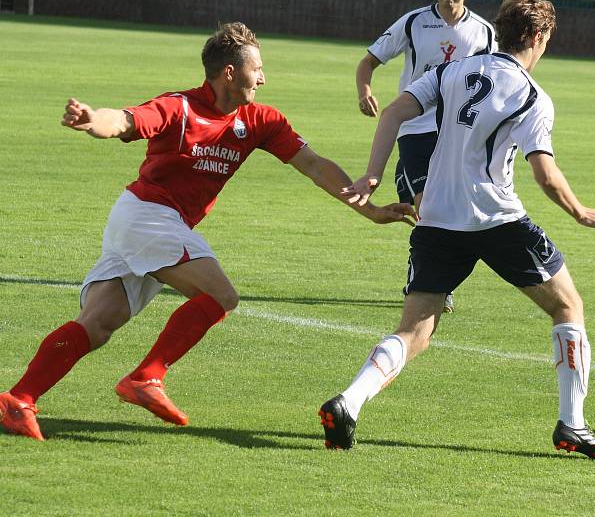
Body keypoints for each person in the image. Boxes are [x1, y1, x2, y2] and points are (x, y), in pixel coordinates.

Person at [0, 22, 415, 441]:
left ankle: (18, 401)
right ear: (230, 73)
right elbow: (126, 120)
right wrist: (93, 120)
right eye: (258, 69)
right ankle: (147, 377)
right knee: (221, 295)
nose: (264, 78)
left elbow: (314, 165)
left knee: (97, 325)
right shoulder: (179, 108)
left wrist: (372, 212)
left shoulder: (260, 120)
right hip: (149, 215)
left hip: (147, 223)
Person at [319, 0, 595, 461]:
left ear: (498, 31)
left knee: (414, 332)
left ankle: (349, 401)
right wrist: (581, 211)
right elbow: (544, 173)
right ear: (539, 38)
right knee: (568, 307)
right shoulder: (531, 95)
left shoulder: (450, 70)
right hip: (497, 218)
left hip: (436, 217)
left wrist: (374, 173)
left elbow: (396, 112)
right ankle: (573, 424)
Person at [356, 0, 497, 314]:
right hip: (415, 127)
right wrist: (364, 89)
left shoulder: (484, 32)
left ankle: (436, 279)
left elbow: (498, 78)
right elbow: (369, 59)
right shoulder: (415, 22)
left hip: (458, 132)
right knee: (428, 205)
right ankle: (431, 283)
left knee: (451, 210)